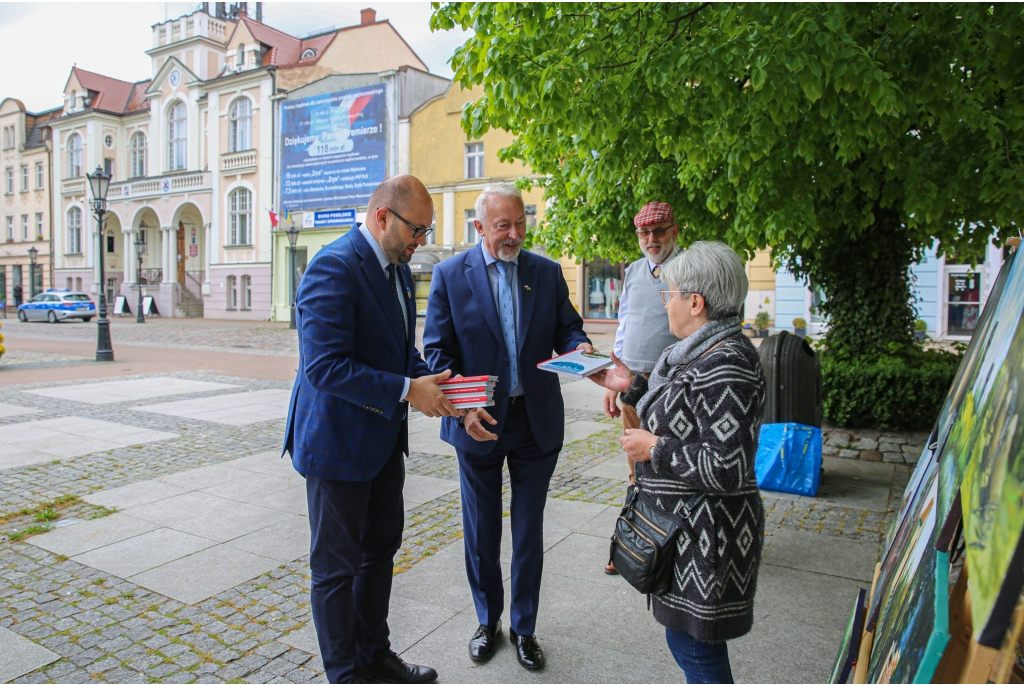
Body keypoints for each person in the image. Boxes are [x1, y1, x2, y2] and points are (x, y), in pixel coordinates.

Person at [283, 174, 461, 684]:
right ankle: (345, 675)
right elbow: (324, 368)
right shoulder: (333, 267)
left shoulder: (399, 270)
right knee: (336, 569)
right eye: (416, 230)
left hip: (382, 442)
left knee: (379, 551)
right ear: (383, 216)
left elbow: (400, 353)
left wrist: (440, 388)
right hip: (336, 445)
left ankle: (375, 656)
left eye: (425, 232)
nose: (420, 242)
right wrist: (409, 391)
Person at [423, 184, 592, 671]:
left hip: (535, 420)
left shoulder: (545, 271)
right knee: (480, 530)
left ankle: (524, 627)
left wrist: (579, 348)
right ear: (480, 228)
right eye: (503, 226)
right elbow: (438, 352)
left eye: (520, 223)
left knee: (528, 529)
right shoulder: (451, 275)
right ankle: (486, 621)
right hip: (478, 421)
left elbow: (569, 327)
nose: (514, 234)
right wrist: (462, 406)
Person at [589, 240, 766, 685]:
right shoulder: (699, 352)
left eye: (668, 295)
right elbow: (683, 409)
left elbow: (727, 465)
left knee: (698, 653)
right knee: (687, 644)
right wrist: (630, 385)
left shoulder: (727, 363)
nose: (665, 303)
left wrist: (654, 448)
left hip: (708, 538)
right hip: (687, 532)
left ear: (696, 302)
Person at [603, 200, 682, 575]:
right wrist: (610, 381)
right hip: (632, 383)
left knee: (667, 462)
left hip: (671, 386)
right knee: (636, 464)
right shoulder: (634, 271)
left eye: (659, 231)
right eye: (644, 233)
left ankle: (672, 544)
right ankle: (633, 542)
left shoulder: (687, 270)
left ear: (674, 232)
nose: (652, 239)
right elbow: (624, 323)